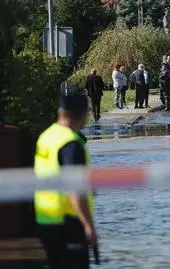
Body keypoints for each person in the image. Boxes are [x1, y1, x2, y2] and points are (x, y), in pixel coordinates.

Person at [34, 86, 98, 269]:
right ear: (83, 114)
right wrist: (88, 225)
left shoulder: (46, 136)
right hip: (68, 221)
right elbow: (74, 188)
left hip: (45, 219)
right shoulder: (71, 143)